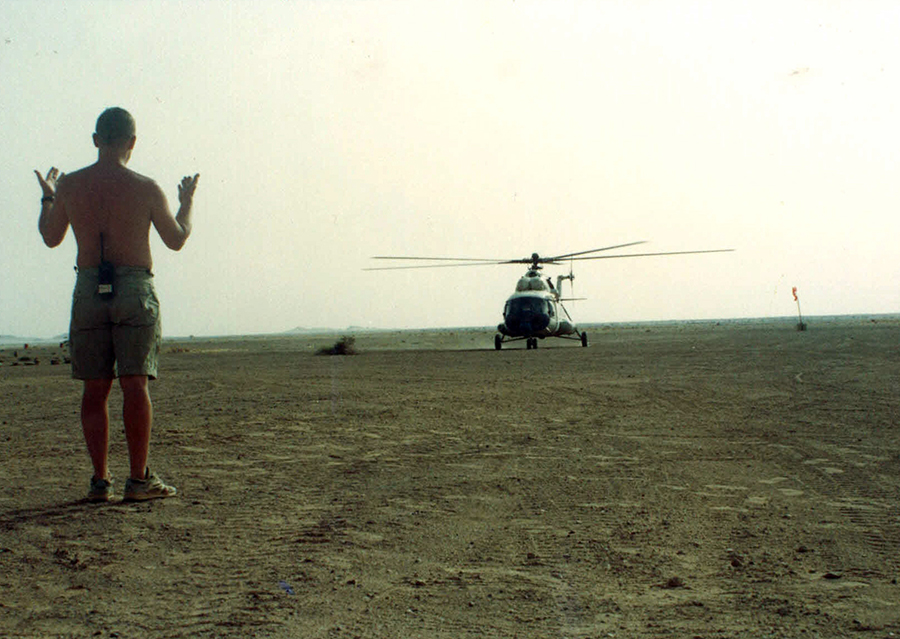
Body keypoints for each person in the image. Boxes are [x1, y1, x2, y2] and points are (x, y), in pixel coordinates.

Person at [35, 107, 199, 502]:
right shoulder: (146, 187)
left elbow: (50, 237)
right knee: (135, 384)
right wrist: (186, 203)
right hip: (133, 287)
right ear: (132, 142)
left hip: (89, 286)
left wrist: (47, 197)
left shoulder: (71, 186)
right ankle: (139, 480)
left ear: (95, 139)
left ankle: (99, 481)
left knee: (95, 388)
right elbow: (177, 239)